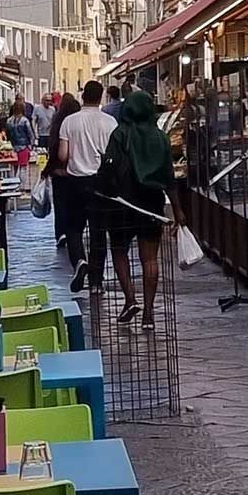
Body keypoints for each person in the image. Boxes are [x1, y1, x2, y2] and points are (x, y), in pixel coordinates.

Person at [96, 87, 172, 327]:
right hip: (151, 202)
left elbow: (109, 165)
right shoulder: (161, 137)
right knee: (150, 258)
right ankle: (149, 313)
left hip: (123, 202)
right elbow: (169, 175)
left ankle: (130, 298)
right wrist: (179, 210)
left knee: (119, 250)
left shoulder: (120, 134)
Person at [57, 81, 118, 292]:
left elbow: (62, 155)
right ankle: (96, 282)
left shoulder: (69, 121)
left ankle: (79, 261)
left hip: (76, 181)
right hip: (101, 182)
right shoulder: (110, 122)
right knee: (98, 231)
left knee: (74, 227)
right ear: (101, 97)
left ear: (83, 96)